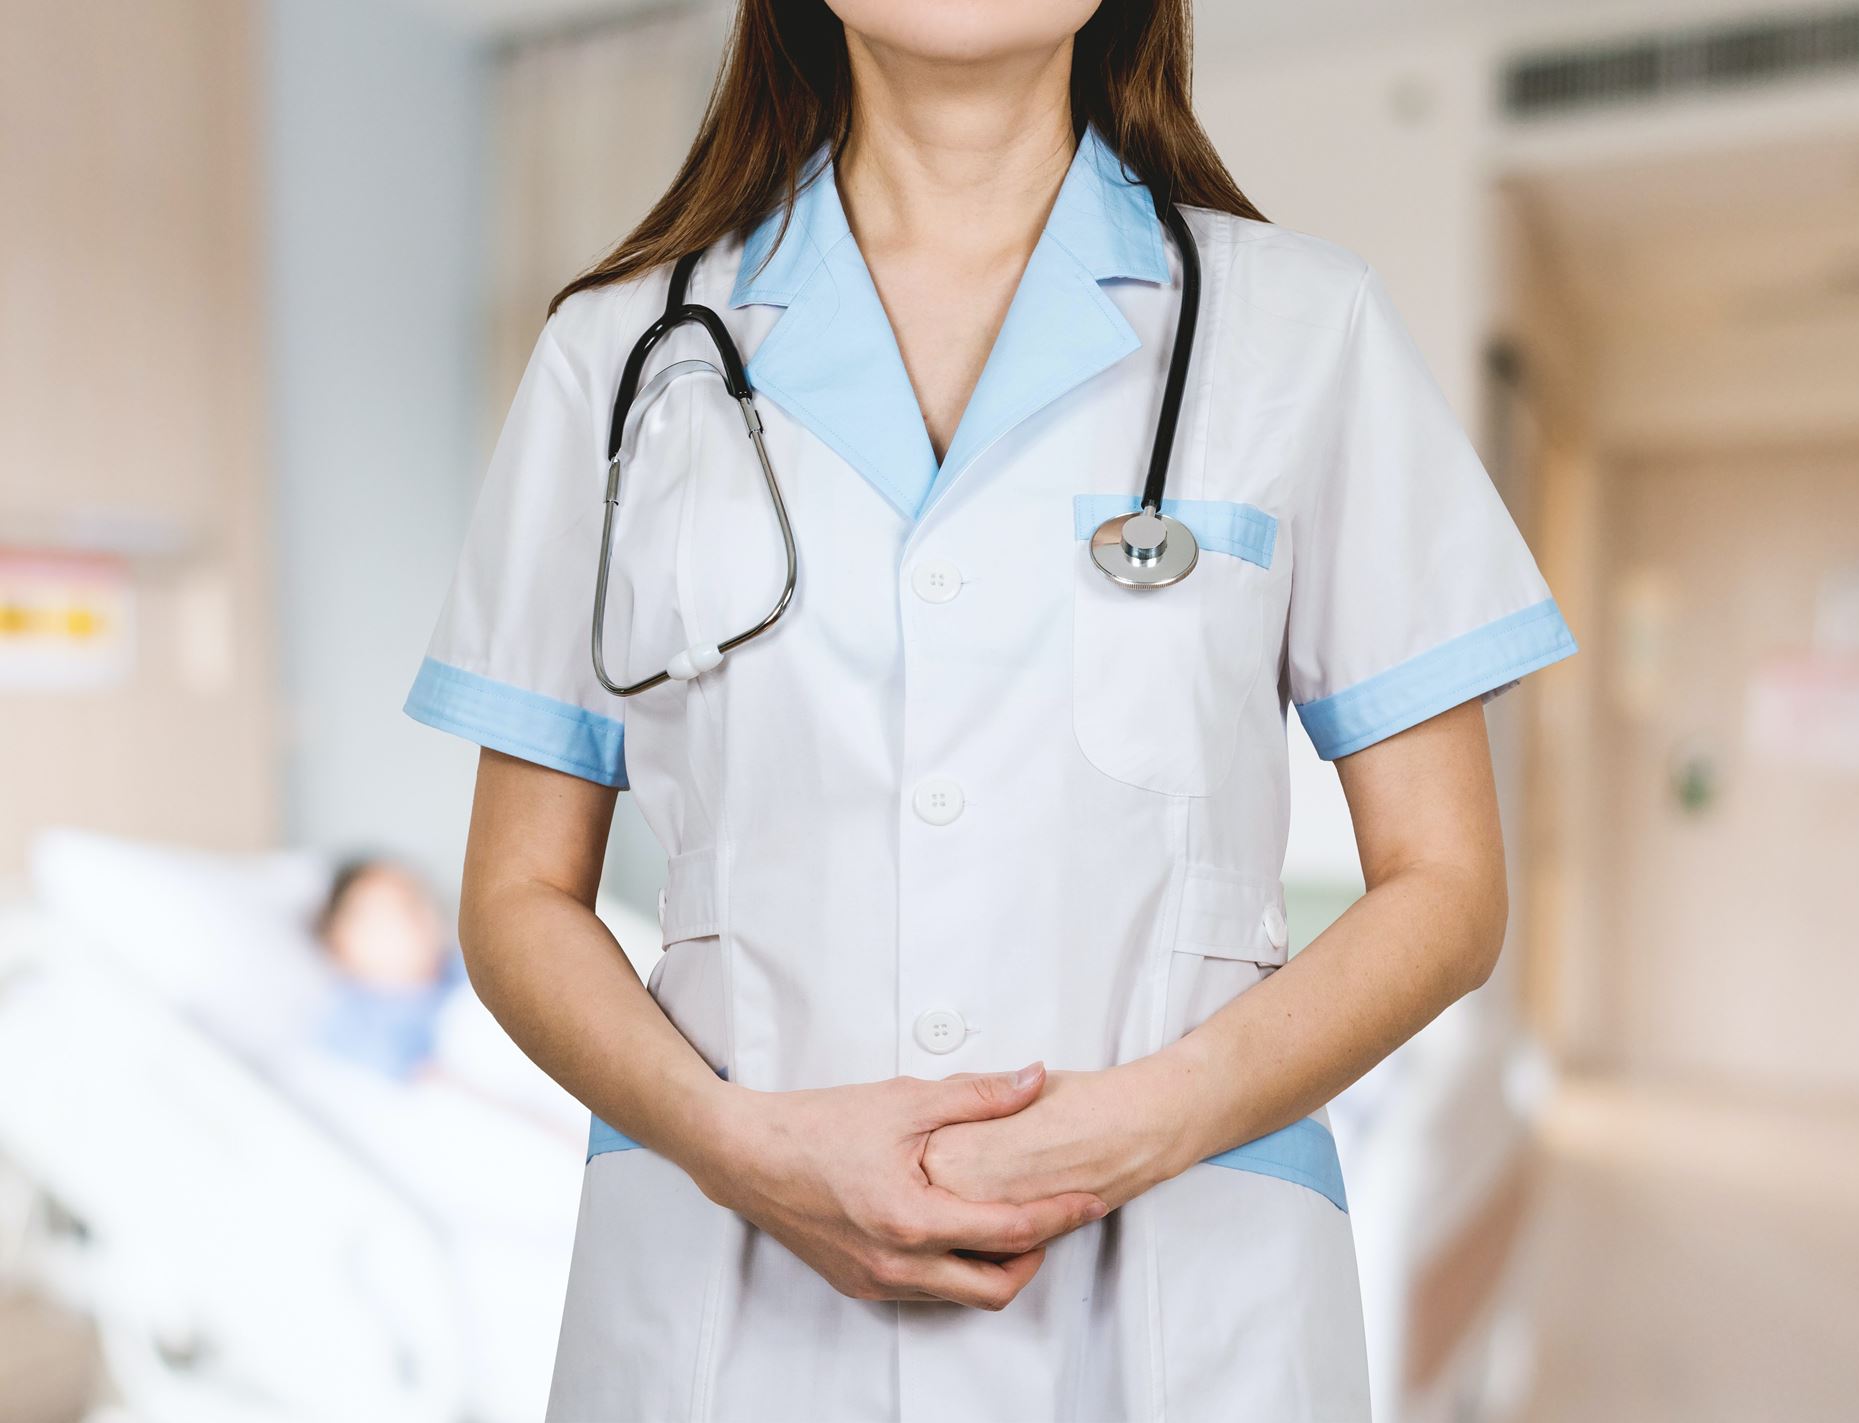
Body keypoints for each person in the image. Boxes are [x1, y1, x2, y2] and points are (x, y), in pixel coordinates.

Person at [402, 2, 1577, 1418]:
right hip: (732, 1306)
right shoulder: (622, 355)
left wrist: (1146, 1123)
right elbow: (519, 895)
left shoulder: (1301, 332)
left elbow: (1446, 888)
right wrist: (737, 1142)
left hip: (1183, 1305)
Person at [311, 857, 460, 1081]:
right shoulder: (355, 1024)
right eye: (389, 912)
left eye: (417, 902)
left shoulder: (466, 974)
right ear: (339, 942)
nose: (413, 921)